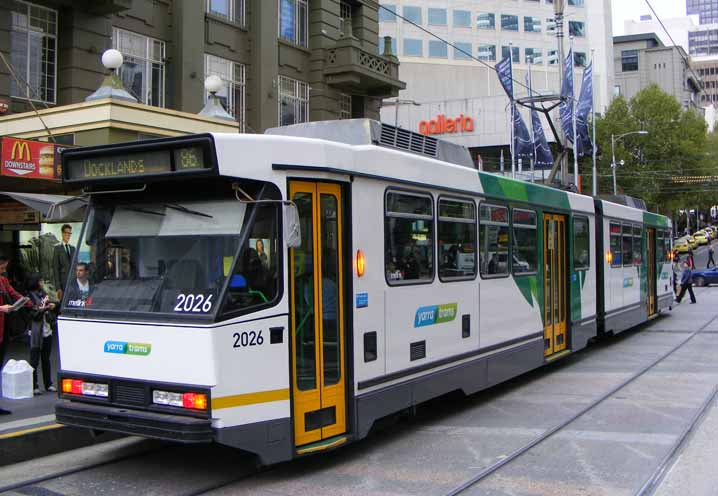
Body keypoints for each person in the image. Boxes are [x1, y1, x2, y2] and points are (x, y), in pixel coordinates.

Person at [0, 255, 32, 415]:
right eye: (3, 266)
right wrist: (1, 308)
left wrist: (30, 302)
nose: (5, 270)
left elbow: (14, 294)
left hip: (3, 329)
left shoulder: (3, 281)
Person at [26, 274, 57, 395]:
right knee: (34, 360)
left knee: (46, 358)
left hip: (46, 328)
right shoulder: (29, 296)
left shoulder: (43, 293)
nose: (42, 282)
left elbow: (50, 305)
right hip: (35, 331)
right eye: (40, 281)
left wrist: (51, 306)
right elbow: (33, 314)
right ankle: (34, 385)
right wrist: (45, 308)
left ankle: (48, 383)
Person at [52, 224, 75, 300]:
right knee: (63, 304)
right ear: (62, 233)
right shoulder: (57, 249)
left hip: (73, 283)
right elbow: (55, 269)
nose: (68, 235)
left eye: (69, 233)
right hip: (63, 283)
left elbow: (76, 266)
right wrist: (58, 287)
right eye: (66, 233)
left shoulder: (73, 249)